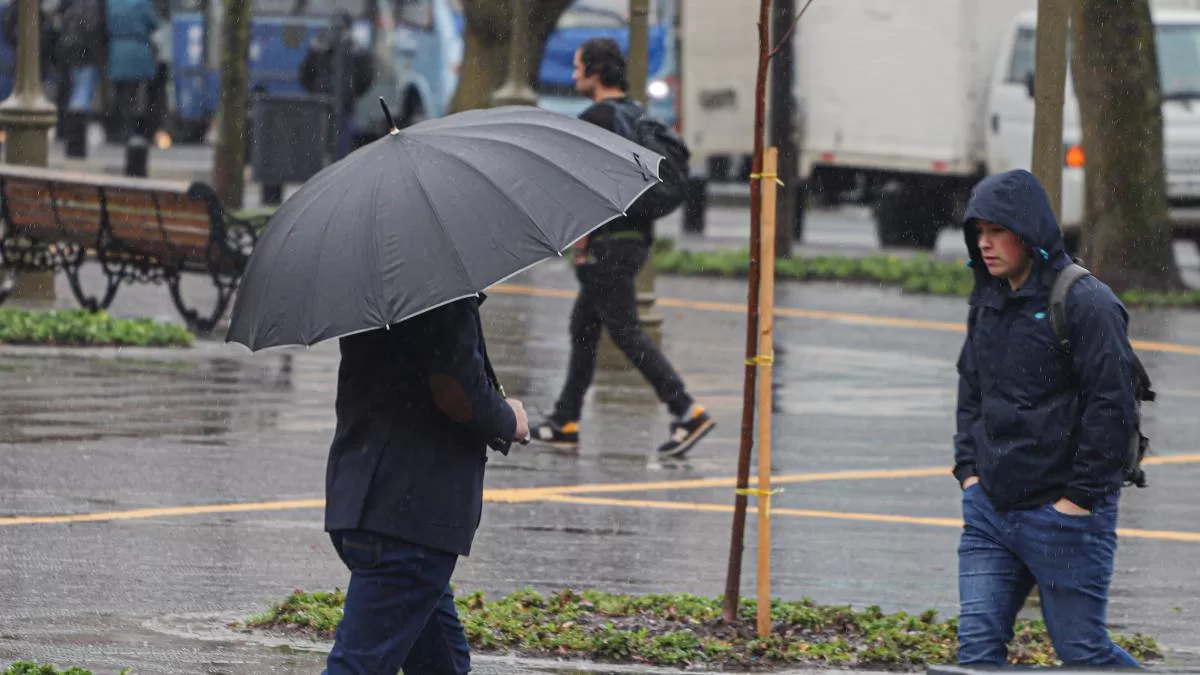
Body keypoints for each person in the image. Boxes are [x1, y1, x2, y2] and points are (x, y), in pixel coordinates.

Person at [953, 169, 1141, 668]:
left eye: (997, 232)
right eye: (979, 232)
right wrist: (969, 471)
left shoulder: (1085, 303)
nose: (985, 244)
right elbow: (971, 387)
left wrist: (1076, 501)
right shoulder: (987, 300)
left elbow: (1113, 407)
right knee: (975, 652)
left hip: (1064, 519)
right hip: (990, 512)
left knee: (1082, 654)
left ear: (1028, 233)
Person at [322, 295, 528, 675]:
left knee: (443, 665)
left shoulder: (373, 289)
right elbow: (456, 391)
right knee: (357, 666)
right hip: (411, 521)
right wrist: (508, 419)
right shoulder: (441, 293)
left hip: (362, 505)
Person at [532, 37, 714, 459]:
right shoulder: (634, 115)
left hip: (607, 245)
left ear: (595, 72)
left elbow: (577, 184)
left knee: (627, 332)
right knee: (584, 328)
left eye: (578, 68)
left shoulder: (596, 117)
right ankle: (565, 421)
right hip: (632, 240)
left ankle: (686, 411)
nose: (574, 74)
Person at [298, 9, 374, 160]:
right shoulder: (354, 49)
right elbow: (366, 77)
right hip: (335, 104)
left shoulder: (320, 46)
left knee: (326, 147)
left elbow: (305, 74)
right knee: (337, 148)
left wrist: (316, 91)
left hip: (330, 105)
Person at [105, 0, 158, 144]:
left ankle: (118, 130)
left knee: (119, 93)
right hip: (137, 49)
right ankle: (132, 130)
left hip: (117, 50)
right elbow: (154, 23)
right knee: (134, 94)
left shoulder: (112, 4)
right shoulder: (142, 3)